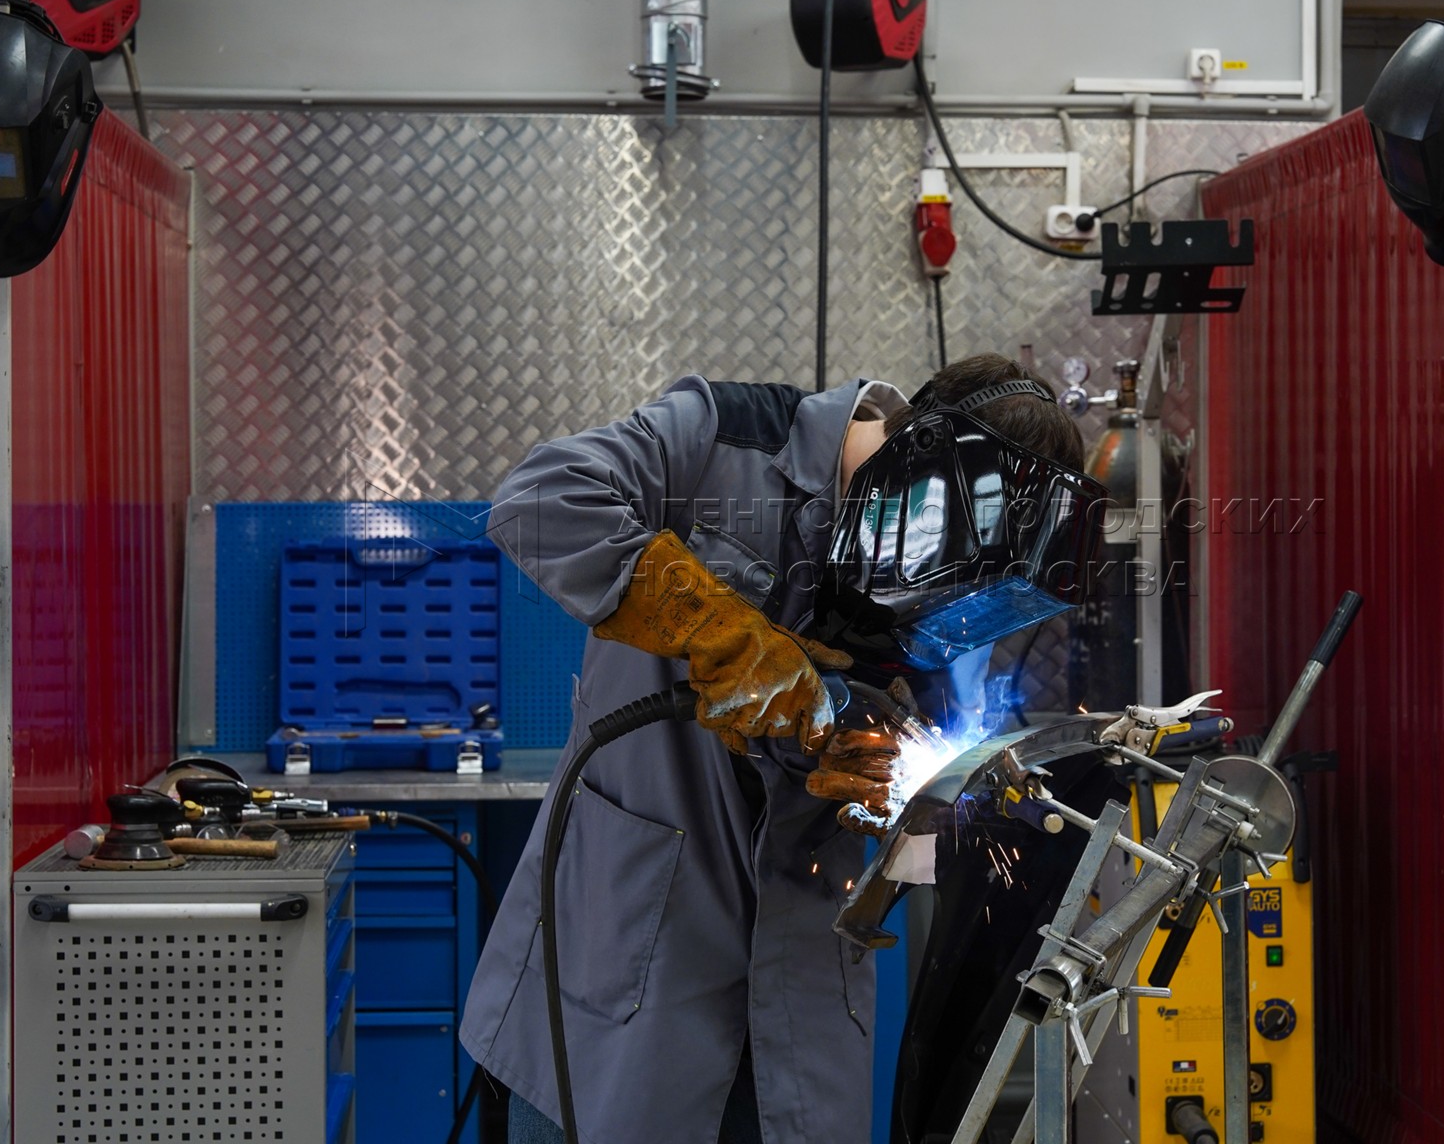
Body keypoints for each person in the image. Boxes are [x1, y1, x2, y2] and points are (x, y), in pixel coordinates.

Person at [460, 353, 1097, 1144]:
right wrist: (714, 628)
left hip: (796, 1014)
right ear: (922, 469)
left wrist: (891, 776)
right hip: (623, 980)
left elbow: (930, 737)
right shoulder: (720, 440)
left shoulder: (951, 578)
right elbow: (538, 500)